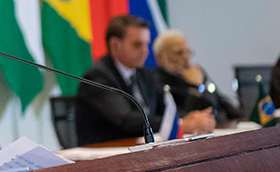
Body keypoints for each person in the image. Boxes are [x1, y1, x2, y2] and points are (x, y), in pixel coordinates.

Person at [75, 15, 215, 145]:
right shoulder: (97, 77)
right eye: (137, 45)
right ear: (115, 45)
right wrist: (180, 125)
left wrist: (191, 119)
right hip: (106, 153)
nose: (145, 51)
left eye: (146, 44)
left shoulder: (144, 73)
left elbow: (165, 107)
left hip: (141, 149)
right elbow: (127, 120)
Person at [154, 30, 243, 125]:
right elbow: (185, 119)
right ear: (160, 58)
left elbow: (221, 102)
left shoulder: (197, 72)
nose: (186, 57)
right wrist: (194, 86)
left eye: (188, 52)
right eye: (179, 53)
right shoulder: (157, 80)